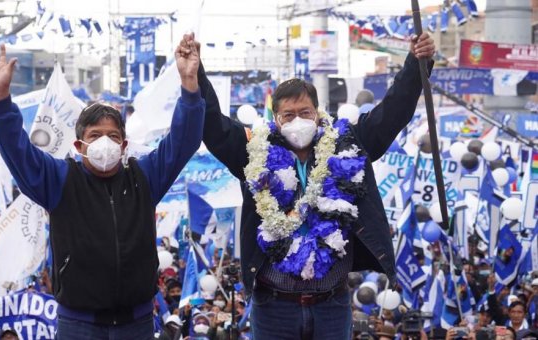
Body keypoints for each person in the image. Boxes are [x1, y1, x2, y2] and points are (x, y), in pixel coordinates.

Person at [186, 30, 435, 338]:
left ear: (318, 115)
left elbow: (391, 114)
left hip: (331, 305)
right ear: (276, 119)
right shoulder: (253, 151)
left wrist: (416, 63)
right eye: (288, 115)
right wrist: (195, 73)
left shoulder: (348, 145)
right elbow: (213, 124)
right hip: (274, 306)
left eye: (305, 112)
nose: (297, 121)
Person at [0, 37, 204, 339]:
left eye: (112, 135)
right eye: (95, 135)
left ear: (123, 145)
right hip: (78, 325)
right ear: (79, 145)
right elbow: (19, 154)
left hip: (137, 324)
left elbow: (182, 141)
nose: (104, 142)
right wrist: (1, 99)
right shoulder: (59, 180)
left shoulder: (143, 177)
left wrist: (189, 83)